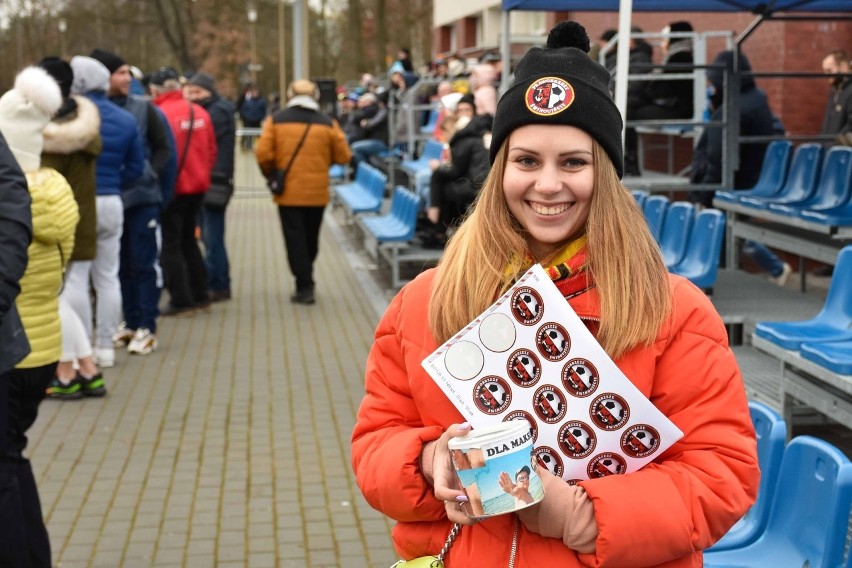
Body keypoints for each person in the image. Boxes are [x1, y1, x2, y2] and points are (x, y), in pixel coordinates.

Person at [351, 21, 759, 567]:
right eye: (526, 161)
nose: (547, 184)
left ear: (607, 176)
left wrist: (579, 515)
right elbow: (375, 444)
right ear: (500, 170)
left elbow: (721, 475)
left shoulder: (675, 310)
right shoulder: (425, 300)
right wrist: (428, 460)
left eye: (573, 162)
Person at [0, 66, 80, 568]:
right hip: (45, 349)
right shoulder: (56, 193)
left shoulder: (11, 204)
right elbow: (67, 264)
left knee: (4, 467)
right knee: (13, 455)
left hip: (13, 346)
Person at [91, 48, 174, 355]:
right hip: (112, 201)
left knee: (144, 263)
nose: (127, 78)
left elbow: (165, 148)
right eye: (120, 72)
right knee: (119, 265)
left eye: (128, 72)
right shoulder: (89, 111)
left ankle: (147, 326)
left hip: (142, 200)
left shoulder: (144, 108)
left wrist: (150, 175)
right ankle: (129, 322)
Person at [690, 50, 793, 286]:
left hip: (733, 183)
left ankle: (769, 270)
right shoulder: (756, 100)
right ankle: (773, 269)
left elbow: (717, 158)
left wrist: (705, 194)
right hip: (751, 179)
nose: (710, 86)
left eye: (713, 80)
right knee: (733, 231)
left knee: (728, 231)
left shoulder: (730, 111)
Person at [70, 55, 145, 368]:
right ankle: (105, 347)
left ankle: (82, 347)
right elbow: (137, 167)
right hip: (113, 200)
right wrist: (114, 182)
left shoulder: (70, 117)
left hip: (79, 202)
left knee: (76, 276)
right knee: (108, 276)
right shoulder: (125, 119)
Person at [38, 57, 107, 398]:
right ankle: (87, 367)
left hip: (51, 224)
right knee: (74, 288)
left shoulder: (41, 129)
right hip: (81, 217)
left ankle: (67, 371)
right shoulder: (84, 122)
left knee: (55, 296)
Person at [255, 79, 352, 305]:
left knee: (294, 238)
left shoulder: (276, 120)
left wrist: (271, 173)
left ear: (290, 95)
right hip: (317, 192)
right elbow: (344, 155)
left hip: (288, 192)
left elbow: (263, 154)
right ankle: (306, 274)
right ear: (315, 96)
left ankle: (304, 284)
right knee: (311, 238)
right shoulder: (328, 123)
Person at [150, 66, 218, 315]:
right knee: (190, 240)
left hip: (174, 188)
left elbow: (160, 154)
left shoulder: (158, 114)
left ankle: (181, 299)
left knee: (170, 244)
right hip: (198, 185)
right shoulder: (199, 111)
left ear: (154, 90)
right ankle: (201, 294)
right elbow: (211, 150)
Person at [185, 72, 237, 303]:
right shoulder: (217, 110)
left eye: (198, 92)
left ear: (208, 92)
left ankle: (218, 283)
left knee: (212, 237)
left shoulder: (216, 113)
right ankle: (215, 280)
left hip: (214, 181)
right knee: (209, 236)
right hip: (211, 179)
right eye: (191, 92)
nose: (194, 97)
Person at [624, 21, 695, 176]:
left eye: (666, 38)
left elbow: (664, 89)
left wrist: (648, 91)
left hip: (678, 109)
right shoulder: (680, 55)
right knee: (629, 108)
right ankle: (630, 161)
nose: (663, 43)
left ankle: (631, 162)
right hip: (675, 106)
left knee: (629, 114)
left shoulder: (680, 57)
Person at [821, 49, 852, 144]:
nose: (826, 75)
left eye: (829, 70)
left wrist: (834, 144)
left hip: (842, 153)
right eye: (824, 71)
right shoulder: (835, 90)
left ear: (843, 67)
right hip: (830, 152)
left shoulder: (849, 90)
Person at [238, 84, 267, 151]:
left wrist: (260, 117)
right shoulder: (247, 101)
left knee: (258, 135)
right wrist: (246, 117)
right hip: (248, 120)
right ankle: (248, 146)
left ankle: (260, 146)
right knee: (248, 135)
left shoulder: (261, 101)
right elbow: (244, 109)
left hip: (257, 120)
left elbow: (263, 111)